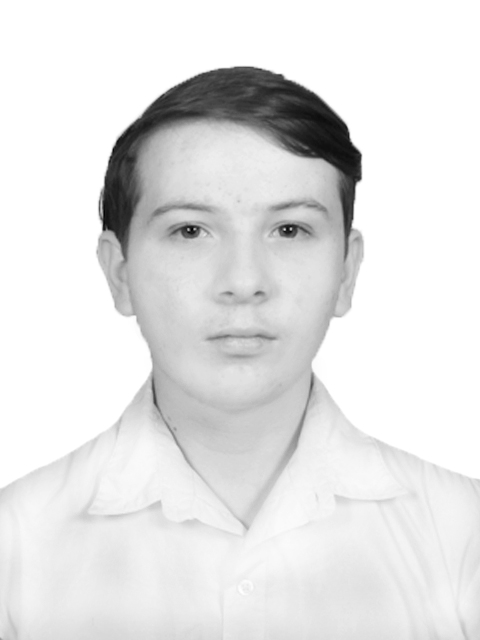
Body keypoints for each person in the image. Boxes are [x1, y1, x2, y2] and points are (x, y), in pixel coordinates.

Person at [0, 67, 479, 640]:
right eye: (190, 231)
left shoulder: (463, 535)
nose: (244, 281)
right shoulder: (15, 545)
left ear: (347, 272)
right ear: (120, 272)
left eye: (290, 230)